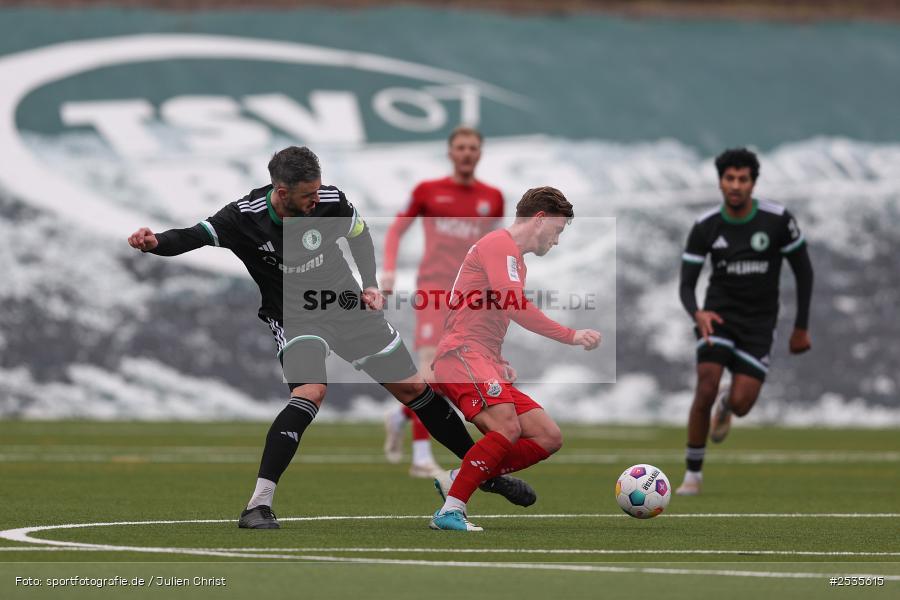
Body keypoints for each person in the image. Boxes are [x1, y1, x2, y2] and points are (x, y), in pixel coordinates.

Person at [126, 146, 535, 529]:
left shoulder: (331, 201)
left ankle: (482, 474)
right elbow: (192, 236)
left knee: (414, 388)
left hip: (346, 308)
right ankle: (258, 504)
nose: (315, 201)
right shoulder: (242, 217)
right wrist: (155, 242)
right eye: (307, 195)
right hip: (295, 316)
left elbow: (359, 235)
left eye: (319, 191)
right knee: (311, 391)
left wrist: (370, 284)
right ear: (281, 192)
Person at [427, 186, 602, 531]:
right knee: (507, 427)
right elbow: (513, 306)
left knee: (548, 436)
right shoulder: (498, 245)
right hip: (461, 355)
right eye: (558, 230)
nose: (557, 240)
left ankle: (461, 478)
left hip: (480, 358)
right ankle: (450, 511)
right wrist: (570, 335)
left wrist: (497, 358)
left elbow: (484, 312)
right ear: (540, 219)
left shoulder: (515, 262)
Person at [675, 148, 813, 496]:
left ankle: (727, 406)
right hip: (717, 317)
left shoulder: (777, 219)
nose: (735, 185)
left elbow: (804, 272)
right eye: (729, 179)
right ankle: (693, 474)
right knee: (706, 384)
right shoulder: (705, 226)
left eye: (743, 179)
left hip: (759, 324)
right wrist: (697, 313)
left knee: (742, 404)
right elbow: (687, 283)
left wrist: (801, 327)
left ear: (753, 182)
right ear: (720, 181)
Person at [380, 126, 504, 478]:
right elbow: (396, 228)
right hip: (434, 290)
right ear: (450, 152)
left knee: (451, 375)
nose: (467, 153)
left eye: (473, 148)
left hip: (471, 296)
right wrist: (388, 270)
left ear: (480, 153)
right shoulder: (428, 191)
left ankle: (401, 414)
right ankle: (421, 457)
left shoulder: (492, 197)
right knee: (432, 364)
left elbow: (492, 248)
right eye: (461, 147)